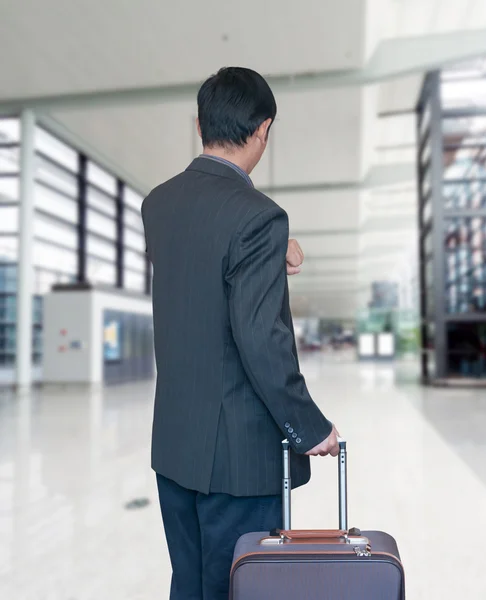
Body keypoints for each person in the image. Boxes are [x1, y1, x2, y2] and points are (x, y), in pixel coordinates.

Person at [142, 67, 339, 600]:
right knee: (241, 587)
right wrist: (308, 426)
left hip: (176, 446)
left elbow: (202, 260)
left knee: (190, 584)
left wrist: (278, 248)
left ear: (200, 124)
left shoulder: (158, 204)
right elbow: (260, 337)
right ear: (263, 130)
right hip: (240, 460)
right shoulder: (259, 217)